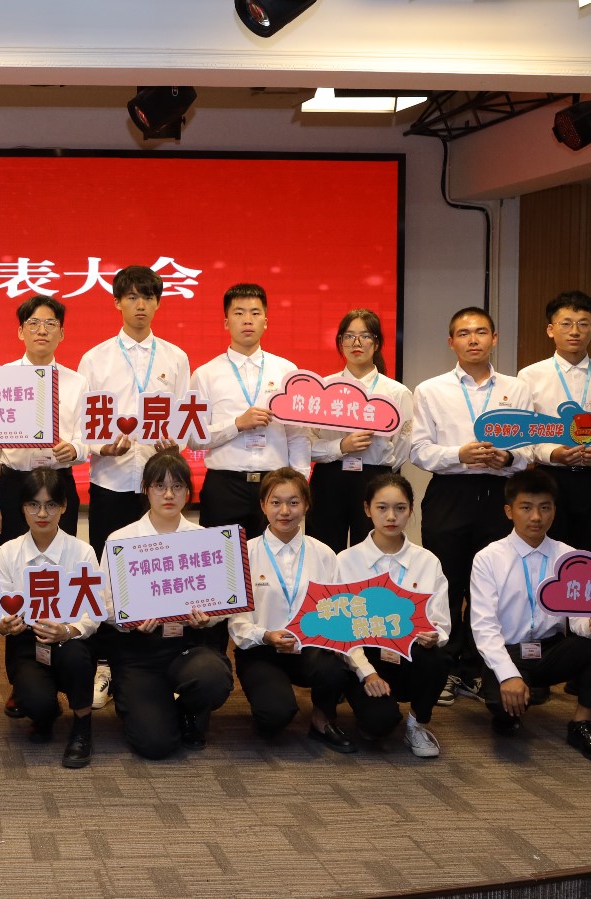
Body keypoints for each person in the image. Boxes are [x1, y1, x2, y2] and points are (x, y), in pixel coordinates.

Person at [410, 307, 534, 705]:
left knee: (492, 586)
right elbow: (418, 450)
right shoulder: (430, 390)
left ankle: (482, 668)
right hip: (450, 492)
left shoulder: (518, 389)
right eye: (464, 333)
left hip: (500, 494)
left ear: (494, 339)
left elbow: (531, 449)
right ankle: (446, 668)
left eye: (481, 332)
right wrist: (458, 455)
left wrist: (510, 458)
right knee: (446, 583)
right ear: (451, 342)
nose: (473, 339)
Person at [229, 468, 397, 752]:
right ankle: (270, 710)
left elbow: (342, 621)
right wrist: (266, 635)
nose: (285, 511)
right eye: (276, 502)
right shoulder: (245, 553)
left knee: (333, 668)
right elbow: (237, 623)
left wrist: (366, 671)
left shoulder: (324, 554)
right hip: (261, 649)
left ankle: (322, 719)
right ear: (263, 505)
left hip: (310, 650)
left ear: (306, 505)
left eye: (294, 502)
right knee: (274, 715)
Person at [469, 469, 591, 763]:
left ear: (554, 510)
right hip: (509, 650)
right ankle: (510, 706)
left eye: (545, 508)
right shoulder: (488, 558)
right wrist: (509, 675)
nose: (536, 517)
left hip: (551, 649)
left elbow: (578, 619)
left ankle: (581, 723)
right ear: (509, 511)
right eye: (526, 508)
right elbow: (484, 627)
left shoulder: (568, 556)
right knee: (503, 708)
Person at [99, 448, 235, 756]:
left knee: (213, 678)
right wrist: (131, 620)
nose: (169, 494)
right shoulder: (121, 539)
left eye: (177, 486)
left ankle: (188, 711)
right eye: (160, 486)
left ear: (189, 491)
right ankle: (142, 703)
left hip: (186, 645)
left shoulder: (205, 539)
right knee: (155, 744)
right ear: (146, 490)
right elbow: (106, 605)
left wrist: (208, 617)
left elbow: (220, 603)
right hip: (139, 652)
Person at [74, 265, 192, 558]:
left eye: (148, 298)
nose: (141, 305)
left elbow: (183, 415)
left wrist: (177, 446)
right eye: (132, 297)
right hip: (110, 482)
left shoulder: (176, 358)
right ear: (117, 302)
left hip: (160, 485)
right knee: (109, 563)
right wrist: (102, 448)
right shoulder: (94, 359)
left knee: (160, 563)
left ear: (158, 303)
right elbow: (82, 422)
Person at [333, 474, 451, 758]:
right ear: (367, 509)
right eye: (382, 507)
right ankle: (374, 708)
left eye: (400, 508)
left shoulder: (427, 561)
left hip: (411, 654)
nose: (391, 517)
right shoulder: (345, 561)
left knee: (438, 659)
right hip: (366, 658)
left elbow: (441, 622)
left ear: (410, 510)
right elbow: (339, 630)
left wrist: (434, 636)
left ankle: (416, 724)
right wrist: (368, 672)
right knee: (378, 724)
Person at [0, 468, 100, 768]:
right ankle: (46, 713)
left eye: (51, 505)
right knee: (35, 702)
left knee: (76, 657)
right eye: (33, 505)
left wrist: (68, 630)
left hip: (69, 641)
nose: (42, 514)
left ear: (64, 506)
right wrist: (3, 625)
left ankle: (82, 728)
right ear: (23, 507)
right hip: (27, 644)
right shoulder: (8, 552)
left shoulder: (82, 552)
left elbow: (94, 613)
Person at [516, 291, 591, 557]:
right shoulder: (530, 376)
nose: (575, 331)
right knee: (545, 556)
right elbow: (524, 435)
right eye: (566, 323)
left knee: (590, 558)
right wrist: (553, 453)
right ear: (550, 330)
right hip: (549, 478)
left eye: (583, 324)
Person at [191, 283, 309, 539]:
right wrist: (236, 425)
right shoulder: (205, 374)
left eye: (255, 313)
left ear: (265, 322)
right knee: (223, 560)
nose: (247, 320)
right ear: (226, 323)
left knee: (274, 556)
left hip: (276, 486)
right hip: (224, 486)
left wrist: (300, 484)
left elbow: (298, 435)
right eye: (239, 313)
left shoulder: (287, 371)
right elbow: (194, 438)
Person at [0, 295, 89, 545]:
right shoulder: (0, 378)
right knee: (12, 555)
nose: (42, 331)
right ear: (20, 332)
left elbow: (85, 438)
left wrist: (75, 449)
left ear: (61, 333)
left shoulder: (77, 382)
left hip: (59, 481)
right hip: (14, 483)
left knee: (62, 556)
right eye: (33, 323)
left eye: (50, 324)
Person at [307, 309, 414, 550]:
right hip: (329, 478)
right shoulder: (323, 388)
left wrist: (377, 461)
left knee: (372, 552)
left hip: (375, 478)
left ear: (377, 343)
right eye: (349, 336)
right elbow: (306, 443)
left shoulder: (396, 392)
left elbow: (402, 447)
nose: (356, 343)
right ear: (340, 342)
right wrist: (340, 447)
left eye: (365, 336)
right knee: (323, 549)